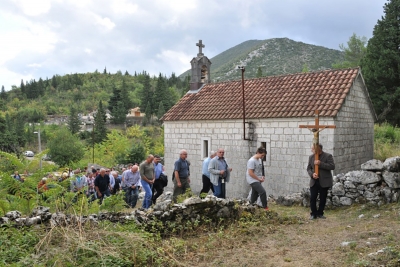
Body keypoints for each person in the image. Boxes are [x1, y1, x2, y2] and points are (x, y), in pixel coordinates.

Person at [307, 144, 335, 220]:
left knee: (323, 198)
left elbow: (332, 166)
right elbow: (309, 168)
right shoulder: (311, 157)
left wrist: (320, 164)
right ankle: (313, 214)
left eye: (312, 149)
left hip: (324, 180)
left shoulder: (328, 156)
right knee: (313, 197)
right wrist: (312, 174)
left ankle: (320, 213)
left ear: (318, 149)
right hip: (314, 180)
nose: (311, 150)